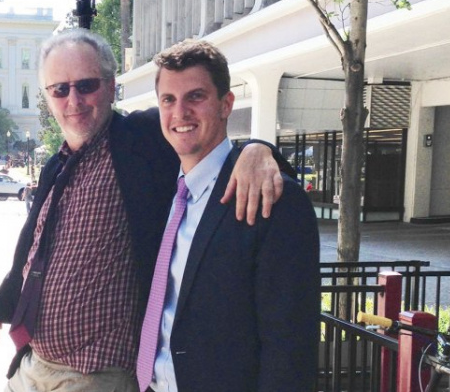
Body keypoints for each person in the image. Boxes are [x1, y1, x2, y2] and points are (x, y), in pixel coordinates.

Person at [0, 29, 289, 392]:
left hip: (96, 375)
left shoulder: (142, 137)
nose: (73, 100)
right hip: (32, 364)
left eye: (86, 85)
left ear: (110, 86)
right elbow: (30, 258)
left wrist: (258, 150)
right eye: (59, 89)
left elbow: (201, 131)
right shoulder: (54, 167)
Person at [135, 40, 320, 392]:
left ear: (226, 104)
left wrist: (259, 149)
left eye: (196, 96)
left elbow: (290, 346)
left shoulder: (272, 199)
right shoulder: (161, 190)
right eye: (168, 100)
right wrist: (260, 146)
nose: (180, 112)